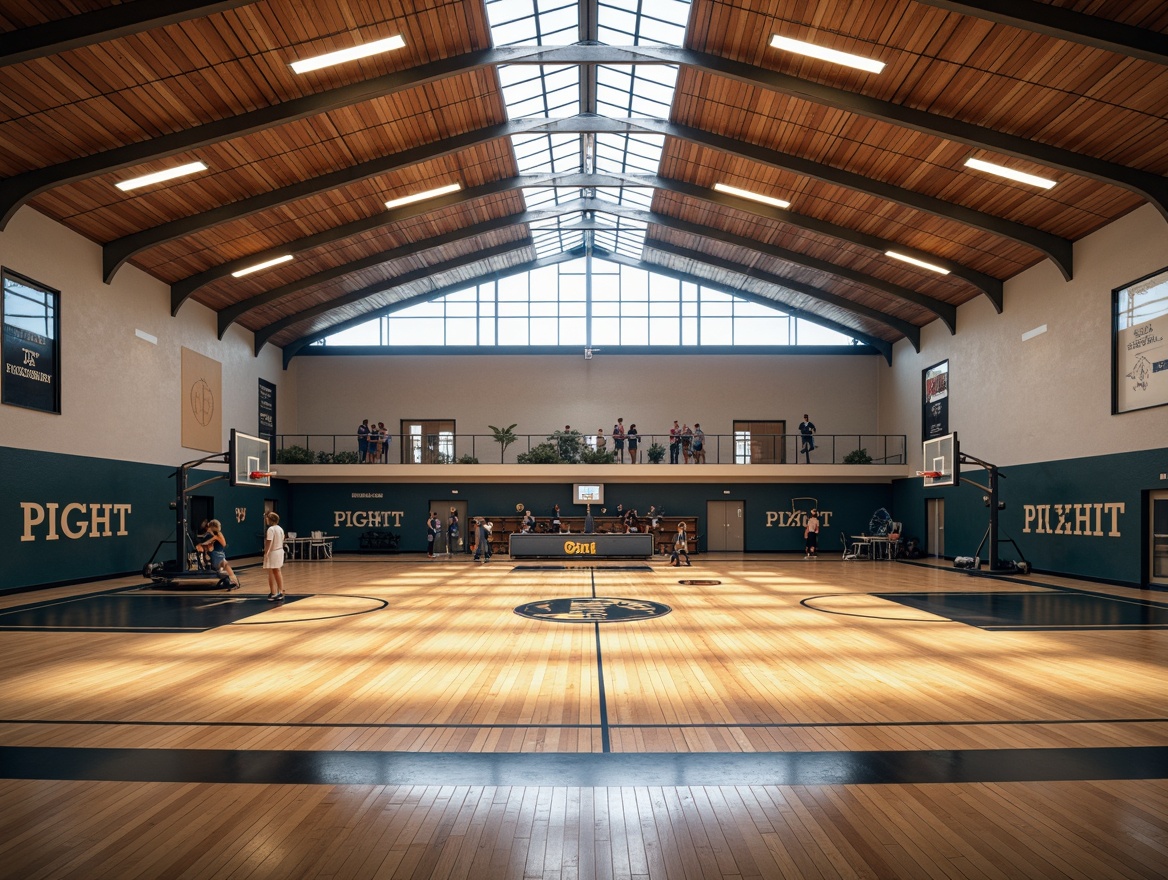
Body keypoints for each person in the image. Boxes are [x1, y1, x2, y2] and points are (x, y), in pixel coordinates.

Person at [197, 519, 239, 589]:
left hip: (218, 556)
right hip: (214, 557)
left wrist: (213, 539)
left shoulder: (217, 534)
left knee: (224, 566)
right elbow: (205, 547)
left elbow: (223, 544)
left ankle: (233, 581)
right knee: (224, 566)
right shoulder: (209, 535)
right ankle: (232, 581)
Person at [262, 512, 286, 600]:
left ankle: (277, 591)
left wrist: (266, 552)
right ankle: (277, 591)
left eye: (267, 518)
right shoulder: (280, 529)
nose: (265, 520)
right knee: (275, 571)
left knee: (274, 572)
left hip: (273, 552)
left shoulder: (271, 529)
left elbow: (269, 541)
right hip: (279, 550)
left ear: (270, 519)